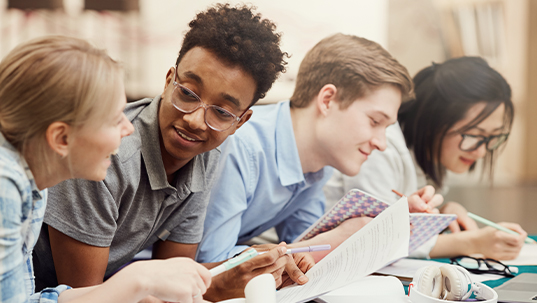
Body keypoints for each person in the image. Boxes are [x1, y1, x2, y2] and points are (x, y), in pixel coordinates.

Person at [32, 3, 294, 302]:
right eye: (187, 93)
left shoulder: (209, 153)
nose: (195, 120)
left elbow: (173, 274)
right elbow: (86, 295)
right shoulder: (105, 156)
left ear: (240, 122)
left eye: (221, 112)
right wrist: (219, 283)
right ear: (169, 80)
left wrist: (243, 269)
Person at [0, 35, 216, 303]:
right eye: (115, 120)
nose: (129, 128)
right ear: (62, 139)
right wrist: (137, 279)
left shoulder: (32, 184)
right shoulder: (5, 186)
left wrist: (135, 292)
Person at [196, 33, 414, 265]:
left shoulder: (318, 166)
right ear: (328, 100)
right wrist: (339, 239)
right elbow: (211, 265)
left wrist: (383, 221)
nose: (381, 143)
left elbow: (301, 254)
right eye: (374, 121)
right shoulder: (241, 146)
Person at [324, 56, 527, 260]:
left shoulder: (432, 155)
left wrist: (446, 214)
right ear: (433, 122)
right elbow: (379, 239)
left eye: (492, 138)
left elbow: (405, 225)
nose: (482, 152)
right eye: (474, 135)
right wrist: (474, 242)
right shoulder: (381, 148)